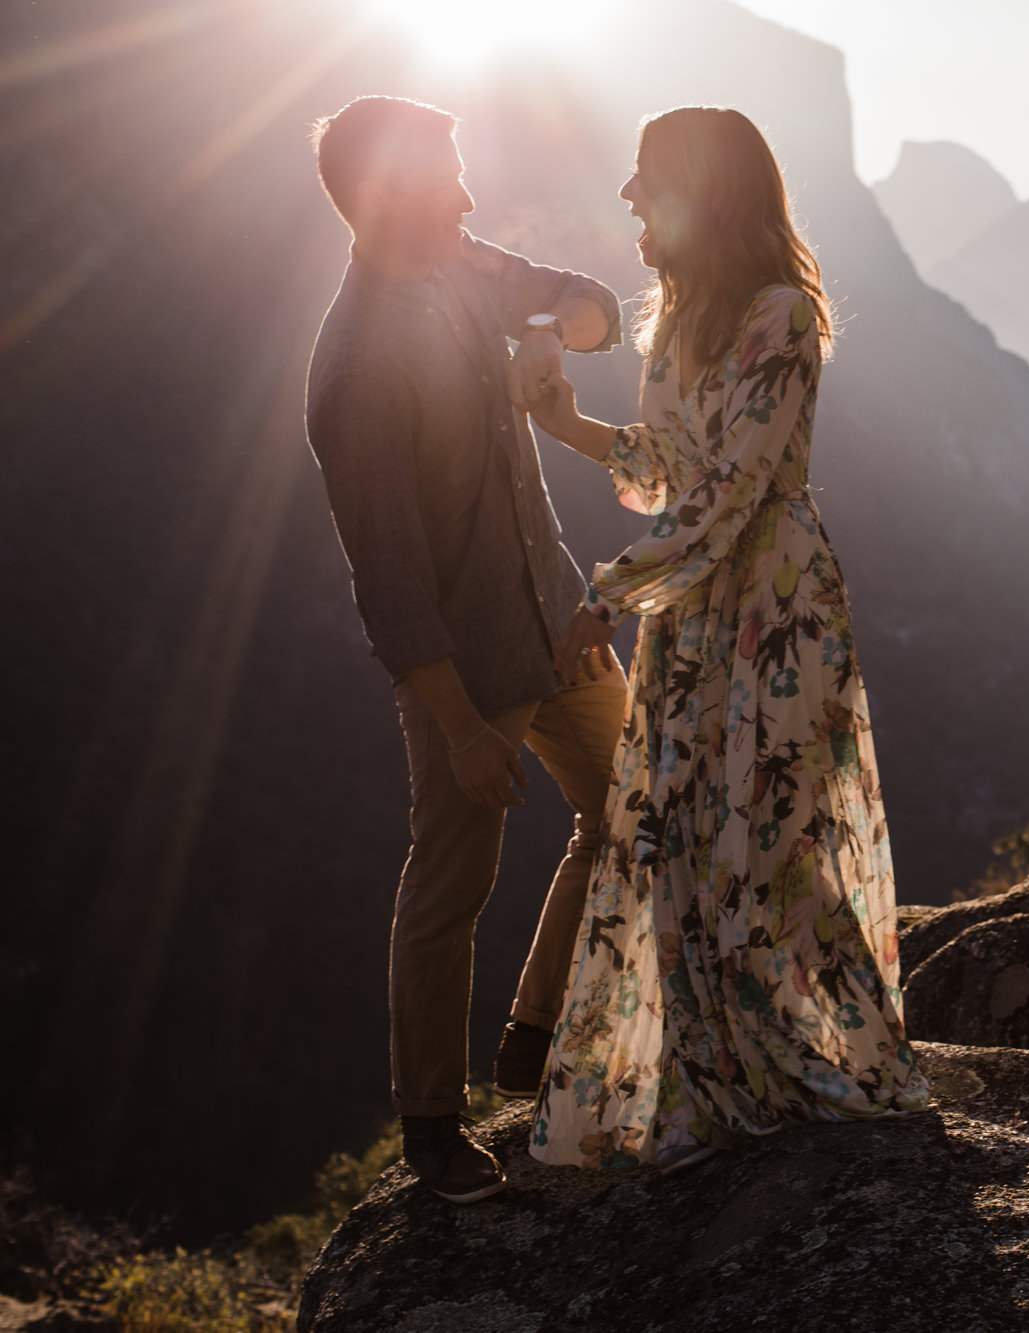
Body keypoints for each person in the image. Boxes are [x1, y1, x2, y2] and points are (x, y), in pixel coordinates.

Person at [524, 107, 930, 1172]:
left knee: (768, 838)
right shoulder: (678, 314)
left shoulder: (780, 315)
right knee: (684, 835)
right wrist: (567, 422)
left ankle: (792, 1061)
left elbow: (734, 487)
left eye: (645, 176)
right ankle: (708, 1066)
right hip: (696, 607)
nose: (624, 195)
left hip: (771, 607)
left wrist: (604, 594)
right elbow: (667, 462)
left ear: (702, 193)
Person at [304, 96, 627, 1203]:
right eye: (446, 177)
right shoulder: (354, 369)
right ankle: (432, 1125)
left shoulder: (460, 265)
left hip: (560, 617)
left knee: (636, 809)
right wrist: (454, 729)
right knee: (450, 887)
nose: (467, 194)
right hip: (468, 672)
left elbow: (592, 308)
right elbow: (389, 582)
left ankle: (534, 1032)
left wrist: (550, 335)